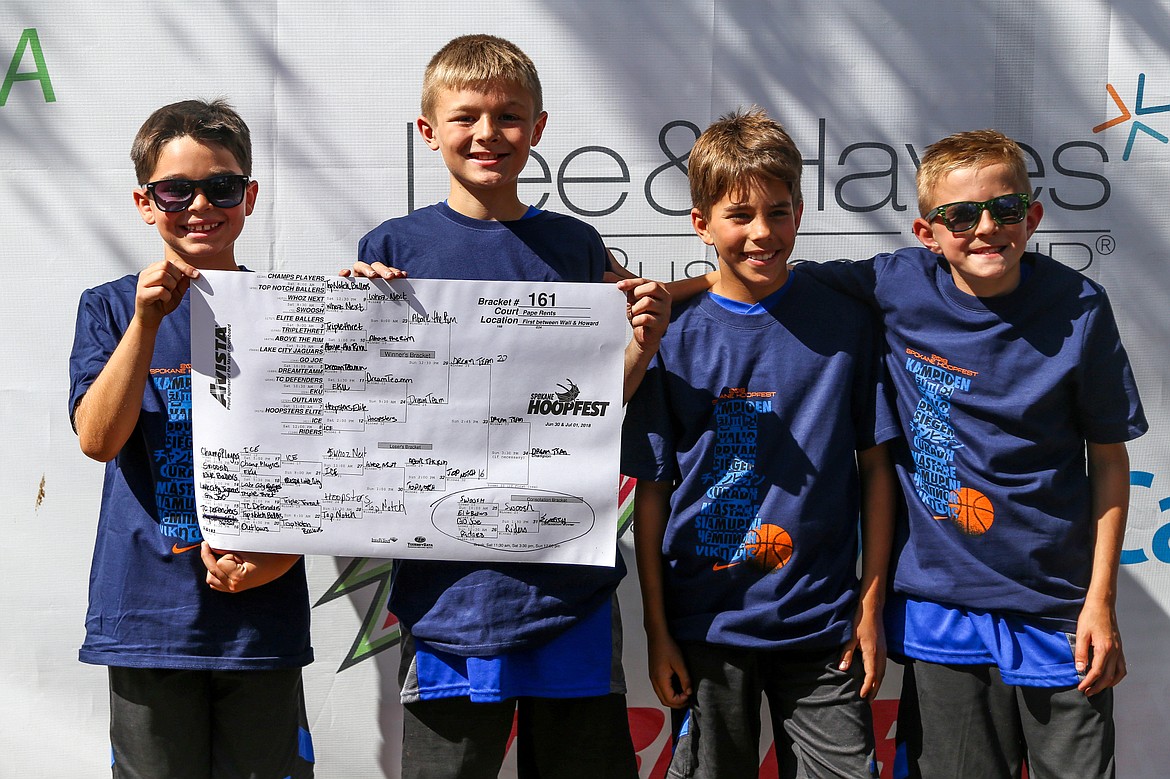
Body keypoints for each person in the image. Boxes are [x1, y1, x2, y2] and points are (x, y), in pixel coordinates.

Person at [344, 34, 669, 778]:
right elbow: (368, 413)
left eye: (509, 117)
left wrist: (640, 348)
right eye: (465, 117)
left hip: (571, 590)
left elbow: (591, 409)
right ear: (428, 132)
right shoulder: (394, 246)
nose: (488, 134)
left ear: (539, 128)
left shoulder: (577, 245)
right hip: (450, 600)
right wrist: (349, 322)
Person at [777, 129, 1147, 778]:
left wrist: (1101, 602)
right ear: (927, 231)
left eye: (1005, 210)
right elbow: (762, 283)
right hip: (942, 608)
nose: (985, 229)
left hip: (1060, 609)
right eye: (959, 216)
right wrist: (662, 297)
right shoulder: (896, 284)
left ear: (1031, 216)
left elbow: (1109, 460)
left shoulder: (1080, 307)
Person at [621, 107, 898, 779]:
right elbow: (652, 495)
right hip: (708, 627)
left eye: (778, 211)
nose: (762, 232)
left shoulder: (846, 321)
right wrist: (659, 629)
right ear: (701, 223)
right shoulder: (672, 335)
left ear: (801, 210)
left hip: (824, 626)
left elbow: (876, 472)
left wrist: (869, 607)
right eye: (739, 215)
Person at [68, 99, 314, 779]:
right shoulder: (110, 306)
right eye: (176, 189)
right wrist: (147, 322)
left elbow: (327, 465)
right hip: (148, 619)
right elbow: (97, 437)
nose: (200, 203)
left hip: (261, 624)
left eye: (222, 187)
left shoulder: (293, 310)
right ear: (146, 203)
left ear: (249, 197)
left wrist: (278, 557)